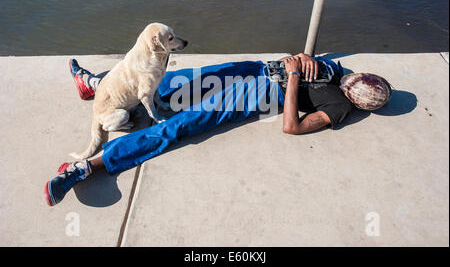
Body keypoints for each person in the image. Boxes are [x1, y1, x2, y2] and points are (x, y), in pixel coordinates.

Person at [45, 53, 353, 206]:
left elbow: (292, 127)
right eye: (368, 79)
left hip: (256, 96)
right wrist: (301, 58)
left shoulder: (340, 106)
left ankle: (84, 168)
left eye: (369, 92)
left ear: (366, 101)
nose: (362, 83)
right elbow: (297, 57)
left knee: (176, 127)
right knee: (167, 83)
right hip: (255, 67)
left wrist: (295, 74)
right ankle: (96, 85)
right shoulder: (337, 69)